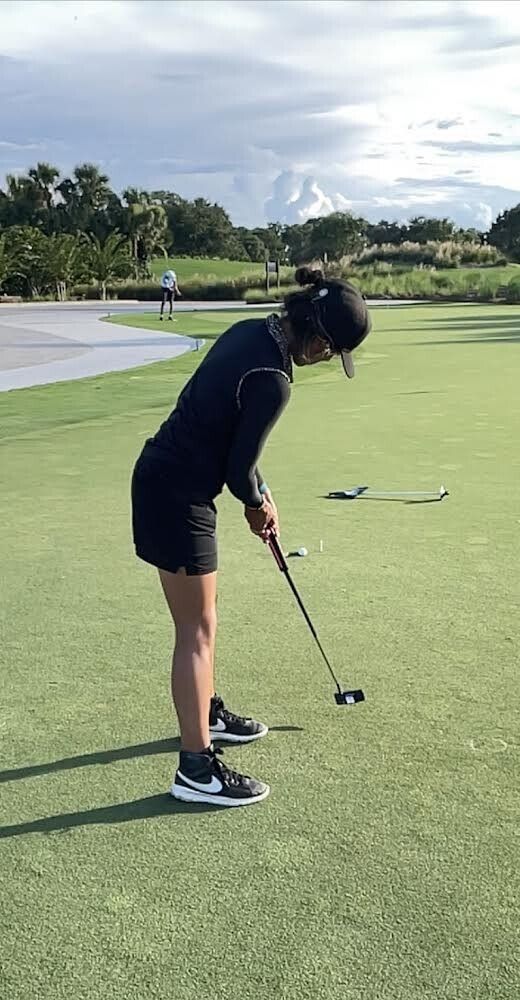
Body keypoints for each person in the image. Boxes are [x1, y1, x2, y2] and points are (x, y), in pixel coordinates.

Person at [131, 267, 371, 807]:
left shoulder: (251, 331)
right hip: (176, 494)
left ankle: (206, 714)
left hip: (170, 481)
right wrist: (257, 503)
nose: (327, 361)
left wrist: (262, 495)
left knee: (204, 621)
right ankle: (196, 768)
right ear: (318, 339)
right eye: (332, 352)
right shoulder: (275, 378)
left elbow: (234, 442)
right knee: (194, 630)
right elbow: (240, 469)